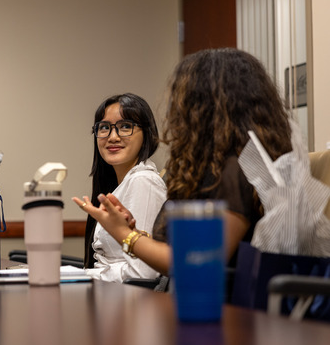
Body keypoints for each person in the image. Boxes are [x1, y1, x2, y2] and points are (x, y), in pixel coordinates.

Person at [73, 48, 293, 276]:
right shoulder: (217, 169)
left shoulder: (235, 172)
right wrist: (132, 230)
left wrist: (125, 235)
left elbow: (195, 264)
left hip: (226, 307)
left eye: (184, 100)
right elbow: (179, 250)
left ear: (208, 108)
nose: (175, 111)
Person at [83, 93, 167, 282]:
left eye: (125, 127)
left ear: (147, 134)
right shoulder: (120, 184)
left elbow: (145, 272)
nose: (113, 137)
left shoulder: (143, 181)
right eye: (104, 128)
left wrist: (86, 275)